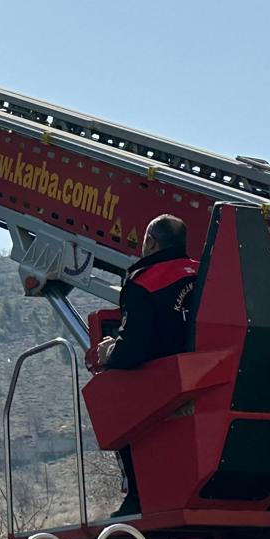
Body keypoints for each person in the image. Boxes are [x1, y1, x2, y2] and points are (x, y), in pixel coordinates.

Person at [97, 213, 201, 517]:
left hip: (165, 386)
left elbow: (133, 350)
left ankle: (137, 495)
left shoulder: (143, 283)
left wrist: (109, 352)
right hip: (207, 378)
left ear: (151, 243)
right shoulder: (202, 273)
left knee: (112, 392)